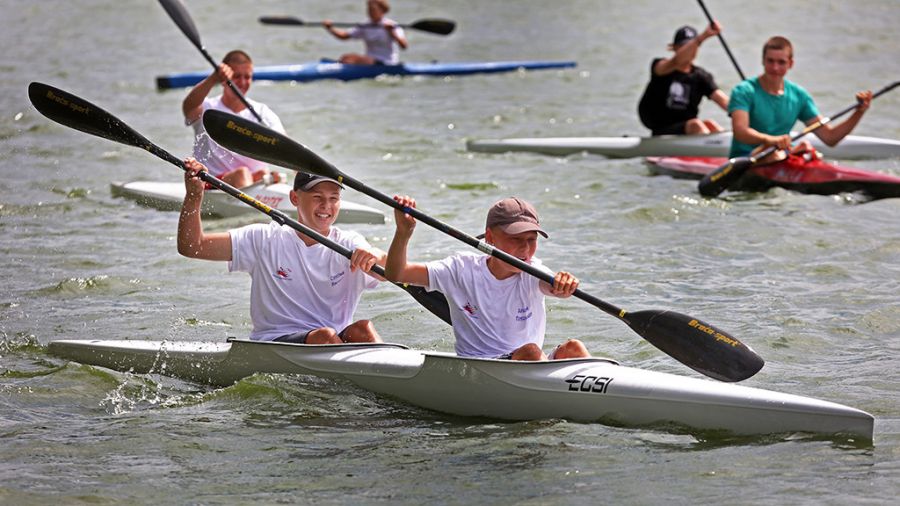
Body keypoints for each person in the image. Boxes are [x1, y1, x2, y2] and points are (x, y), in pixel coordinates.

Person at [177, 158, 385, 344]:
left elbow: (387, 269)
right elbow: (193, 246)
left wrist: (376, 256)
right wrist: (194, 195)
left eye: (333, 198)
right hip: (275, 341)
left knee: (363, 329)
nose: (326, 206)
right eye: (317, 197)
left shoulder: (350, 242)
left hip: (330, 339)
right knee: (325, 336)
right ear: (294, 198)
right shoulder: (263, 239)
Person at [385, 196, 592, 361]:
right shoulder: (460, 270)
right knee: (531, 352)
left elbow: (553, 285)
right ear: (490, 238)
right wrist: (404, 232)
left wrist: (563, 284)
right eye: (516, 239)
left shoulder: (533, 271)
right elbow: (398, 273)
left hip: (529, 363)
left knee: (574, 348)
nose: (525, 249)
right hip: (482, 368)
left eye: (531, 240)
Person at [729, 36, 873, 160]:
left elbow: (830, 138)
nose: (775, 67)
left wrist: (859, 112)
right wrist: (771, 140)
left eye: (781, 62)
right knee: (773, 153)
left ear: (791, 64)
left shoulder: (799, 96)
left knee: (807, 149)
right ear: (762, 61)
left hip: (780, 155)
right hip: (746, 158)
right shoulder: (744, 91)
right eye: (770, 61)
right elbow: (740, 132)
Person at [182, 50, 286, 189]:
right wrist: (213, 78)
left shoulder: (263, 113)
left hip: (253, 182)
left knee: (269, 175)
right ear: (224, 79)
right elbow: (188, 107)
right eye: (237, 76)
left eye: (247, 77)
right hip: (209, 182)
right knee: (242, 174)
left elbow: (286, 148)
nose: (242, 82)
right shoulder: (207, 109)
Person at [638, 22, 730, 136]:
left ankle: (730, 150)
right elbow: (677, 61)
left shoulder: (701, 76)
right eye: (684, 46)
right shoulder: (661, 66)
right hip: (661, 127)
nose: (690, 51)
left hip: (687, 129)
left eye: (693, 46)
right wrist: (702, 37)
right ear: (674, 48)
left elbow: (724, 101)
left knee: (711, 125)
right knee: (696, 125)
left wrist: (746, 114)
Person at [323, 0, 408, 65]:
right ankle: (337, 65)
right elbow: (344, 36)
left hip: (387, 62)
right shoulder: (365, 25)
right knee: (346, 57)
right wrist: (330, 29)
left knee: (350, 58)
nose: (370, 12)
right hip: (369, 62)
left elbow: (404, 46)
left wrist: (392, 32)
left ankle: (337, 66)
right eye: (368, 9)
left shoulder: (392, 25)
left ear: (382, 11)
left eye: (373, 9)